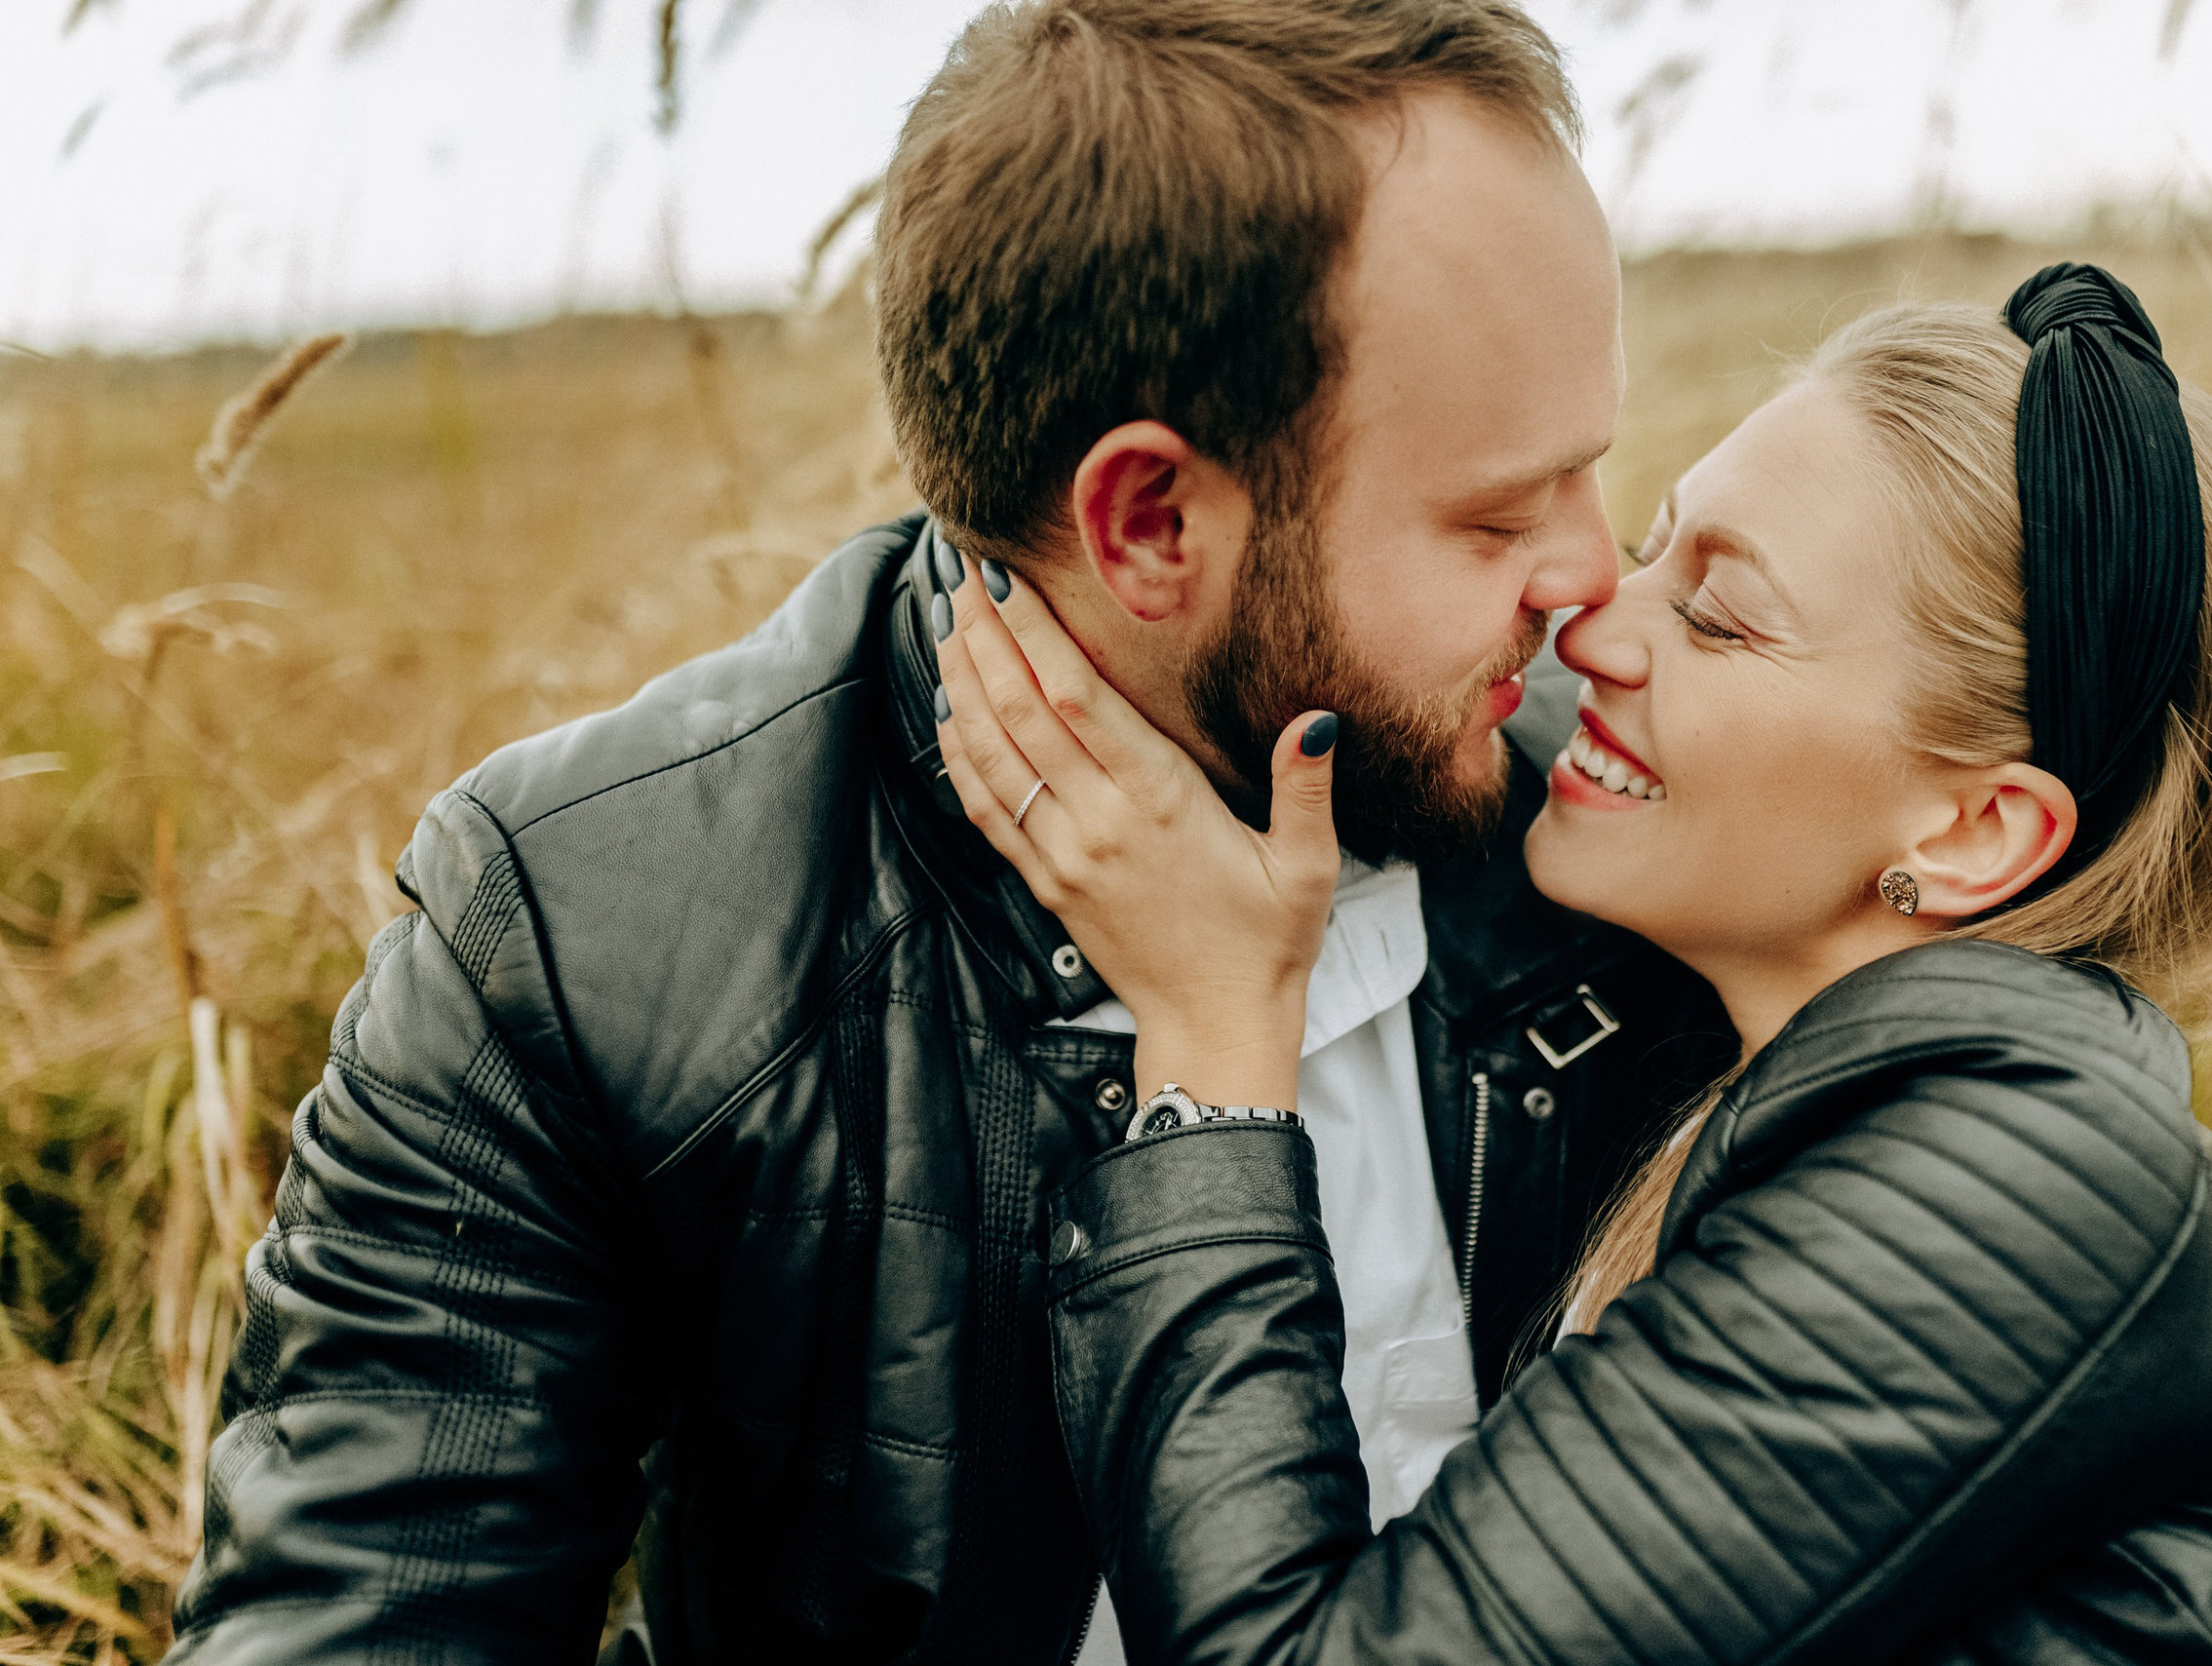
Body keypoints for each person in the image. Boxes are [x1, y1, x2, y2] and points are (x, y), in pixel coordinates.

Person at [166, 6, 1737, 1664]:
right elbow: (360, 1622)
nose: (1593, 585)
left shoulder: (1655, 821)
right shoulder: (593, 934)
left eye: (1594, 473)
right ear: (1147, 521)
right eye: (1497, 513)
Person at [931, 265, 2212, 1662]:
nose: (1593, 617)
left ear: (1974, 833)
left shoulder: (2012, 1189)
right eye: (1653, 544)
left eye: (1717, 611)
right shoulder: (1778, 1085)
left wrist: (1209, 1049)